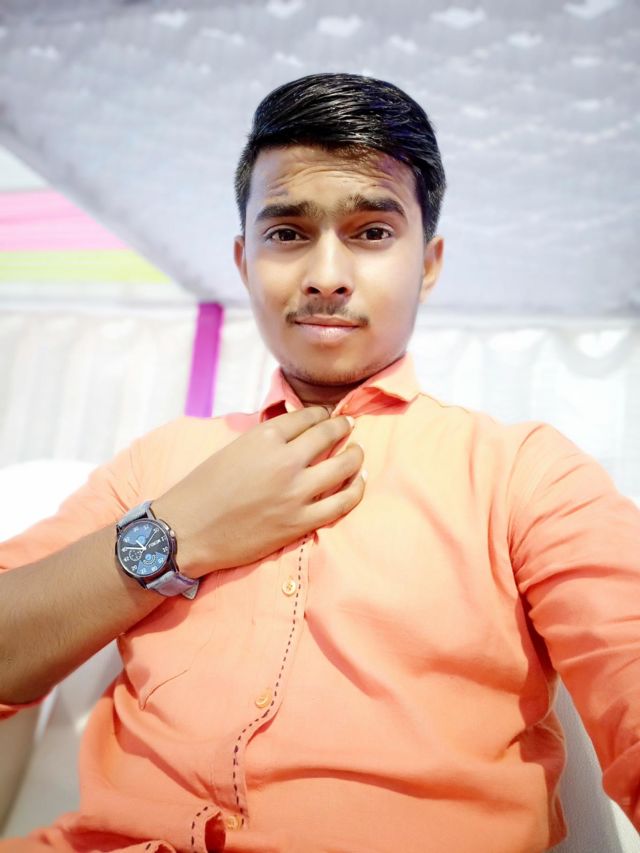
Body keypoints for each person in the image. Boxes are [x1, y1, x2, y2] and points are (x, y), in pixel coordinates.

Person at [0, 72, 638, 853]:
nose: (327, 274)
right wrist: (177, 530)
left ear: (429, 262)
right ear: (244, 258)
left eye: (372, 232)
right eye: (287, 232)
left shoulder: (524, 475)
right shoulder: (163, 462)